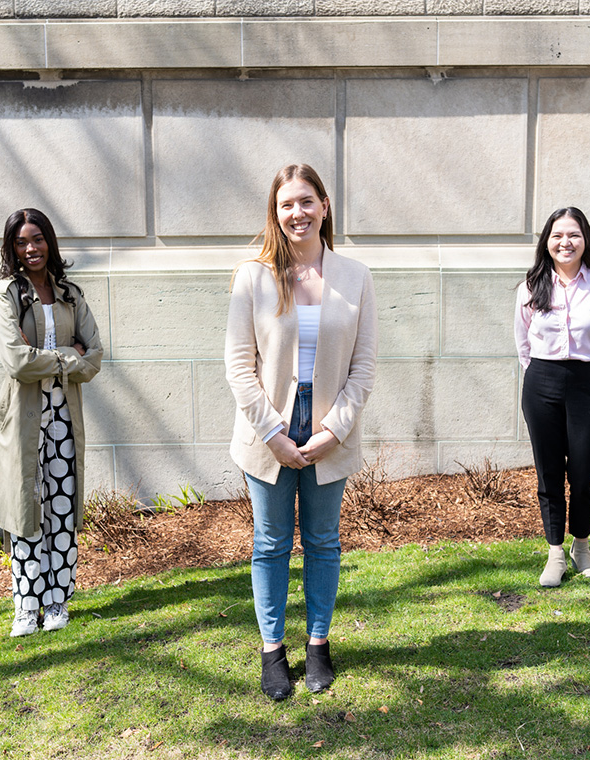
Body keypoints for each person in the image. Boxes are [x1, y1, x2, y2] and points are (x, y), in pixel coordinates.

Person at [225, 164, 378, 700]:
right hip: (267, 432)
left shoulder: (356, 276)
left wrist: (334, 431)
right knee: (269, 544)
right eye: (287, 204)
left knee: (321, 541)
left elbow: (364, 367)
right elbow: (239, 365)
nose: (298, 213)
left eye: (307, 201)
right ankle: (272, 651)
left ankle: (318, 645)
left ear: (325, 206)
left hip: (328, 432)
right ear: (276, 211)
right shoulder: (252, 276)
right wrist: (272, 433)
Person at [0, 208, 103, 637]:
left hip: (64, 417)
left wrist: (62, 361)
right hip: (25, 417)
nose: (31, 248)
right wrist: (66, 357)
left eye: (37, 239)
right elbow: (16, 361)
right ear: (12, 248)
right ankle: (25, 605)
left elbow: (96, 358)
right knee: (26, 508)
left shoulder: (70, 293)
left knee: (60, 505)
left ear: (50, 242)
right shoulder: (7, 294)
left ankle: (57, 602)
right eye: (21, 242)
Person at [514, 207, 590, 588]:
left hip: (587, 383)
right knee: (548, 472)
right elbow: (522, 343)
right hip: (541, 381)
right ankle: (555, 552)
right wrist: (544, 374)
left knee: (584, 470)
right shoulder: (532, 285)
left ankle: (582, 545)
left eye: (573, 235)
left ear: (585, 240)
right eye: (558, 235)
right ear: (547, 241)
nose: (566, 242)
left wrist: (583, 370)